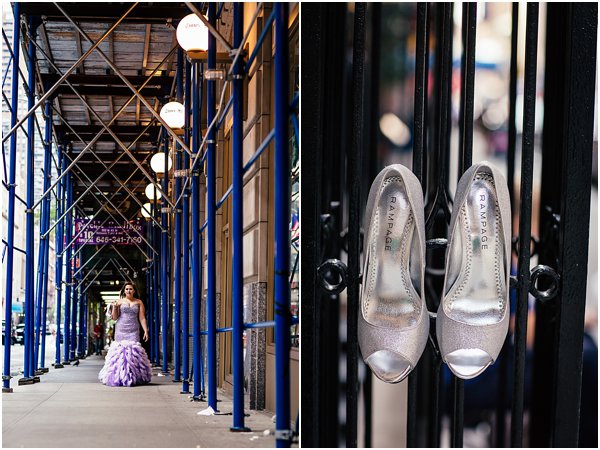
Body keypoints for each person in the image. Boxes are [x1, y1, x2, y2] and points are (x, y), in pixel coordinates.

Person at [99, 282, 152, 387]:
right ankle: (118, 377)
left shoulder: (139, 302)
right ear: (124, 290)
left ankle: (134, 377)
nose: (128, 291)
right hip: (121, 329)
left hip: (134, 330)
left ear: (134, 291)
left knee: (133, 352)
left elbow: (142, 317)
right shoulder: (119, 302)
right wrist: (114, 307)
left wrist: (146, 330)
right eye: (127, 289)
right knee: (120, 353)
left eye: (131, 289)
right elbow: (114, 318)